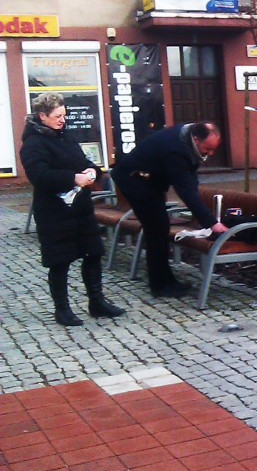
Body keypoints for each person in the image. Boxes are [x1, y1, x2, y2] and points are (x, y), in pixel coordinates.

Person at [20, 93, 125, 326]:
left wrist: (92, 172)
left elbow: (84, 161)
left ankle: (96, 302)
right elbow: (40, 176)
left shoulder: (65, 137)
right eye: (57, 116)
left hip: (81, 208)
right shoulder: (33, 144)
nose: (62, 120)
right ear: (42, 116)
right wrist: (72, 178)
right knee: (60, 261)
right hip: (54, 212)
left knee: (93, 253)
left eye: (64, 115)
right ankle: (62, 309)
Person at [111, 121, 227, 298]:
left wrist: (201, 208)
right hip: (134, 180)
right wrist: (211, 223)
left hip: (149, 180)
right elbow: (185, 190)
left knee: (159, 228)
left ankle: (166, 280)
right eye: (207, 149)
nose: (209, 154)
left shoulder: (188, 139)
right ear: (196, 140)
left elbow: (190, 178)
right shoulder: (175, 150)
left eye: (213, 150)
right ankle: (160, 285)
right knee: (157, 230)